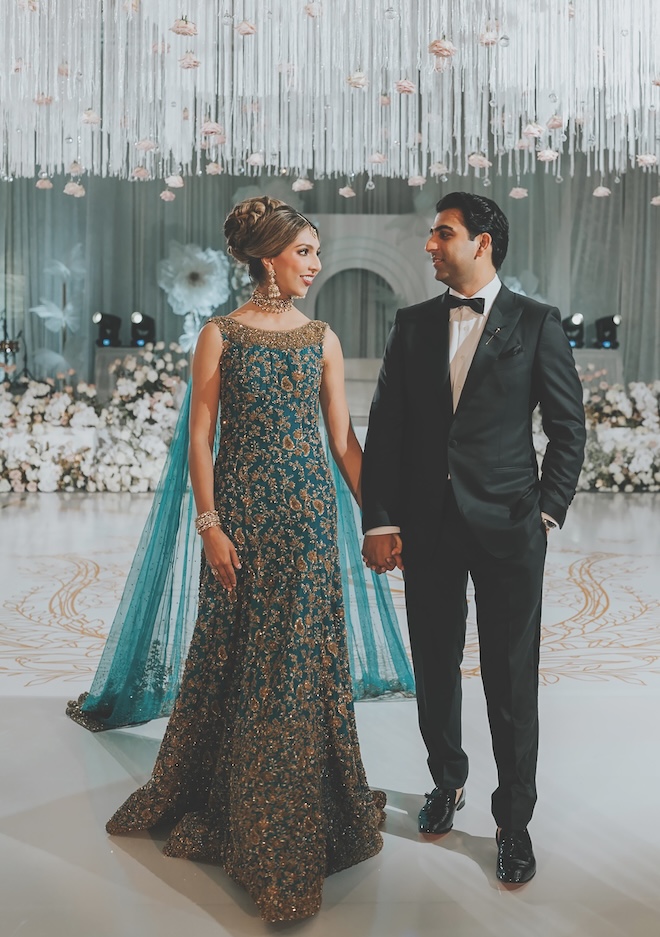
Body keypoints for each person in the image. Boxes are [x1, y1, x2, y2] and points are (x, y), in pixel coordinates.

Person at [106, 196, 384, 922]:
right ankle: (234, 800)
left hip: (310, 525)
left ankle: (292, 817)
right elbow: (199, 437)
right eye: (305, 252)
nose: (315, 264)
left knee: (298, 665)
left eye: (316, 252)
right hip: (241, 524)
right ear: (269, 257)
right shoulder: (219, 334)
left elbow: (343, 441)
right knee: (239, 657)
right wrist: (209, 525)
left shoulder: (321, 337)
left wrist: (380, 515)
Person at [361, 192, 586, 884]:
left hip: (511, 529)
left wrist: (545, 513)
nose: (430, 245)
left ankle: (513, 821)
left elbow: (568, 429)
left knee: (510, 679)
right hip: (427, 527)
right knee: (433, 664)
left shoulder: (537, 322)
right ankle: (446, 780)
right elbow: (387, 429)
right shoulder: (413, 324)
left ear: (482, 242)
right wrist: (381, 519)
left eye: (443, 233)